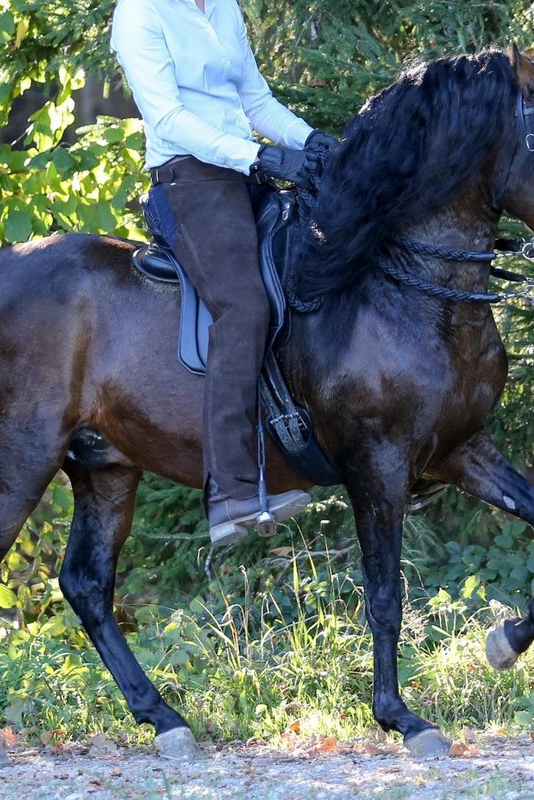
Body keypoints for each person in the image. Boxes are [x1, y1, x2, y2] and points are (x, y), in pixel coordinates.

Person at [110, 0, 337, 545]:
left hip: (241, 172)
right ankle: (230, 490)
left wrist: (311, 142)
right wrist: (256, 158)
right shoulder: (140, 12)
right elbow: (166, 117)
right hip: (190, 180)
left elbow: (255, 99)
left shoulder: (223, 8)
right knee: (244, 306)